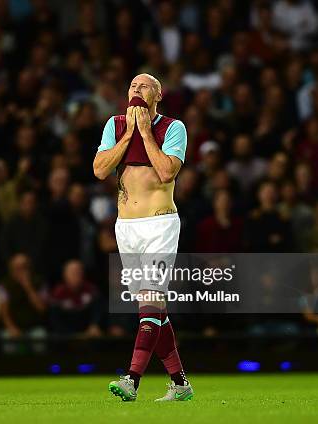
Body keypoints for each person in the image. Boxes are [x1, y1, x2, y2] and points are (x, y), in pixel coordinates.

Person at [93, 73, 192, 401]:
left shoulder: (173, 128)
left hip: (160, 225)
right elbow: (99, 169)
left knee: (150, 302)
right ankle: (180, 385)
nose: (136, 89)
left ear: (158, 96)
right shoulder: (115, 125)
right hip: (126, 227)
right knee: (154, 310)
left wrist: (146, 132)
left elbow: (166, 171)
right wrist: (128, 136)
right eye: (133, 85)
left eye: (144, 86)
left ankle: (131, 380)